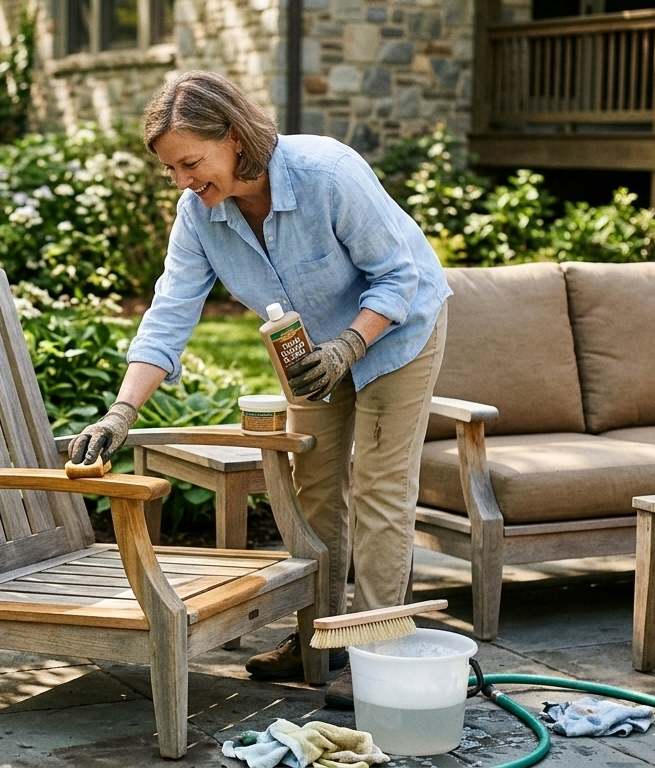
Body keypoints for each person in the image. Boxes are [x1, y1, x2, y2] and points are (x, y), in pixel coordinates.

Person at [66, 70, 451, 709]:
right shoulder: (200, 216)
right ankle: (316, 642)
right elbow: (170, 312)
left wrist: (349, 347)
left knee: (381, 488)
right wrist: (121, 412)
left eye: (192, 162)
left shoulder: (328, 173)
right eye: (172, 170)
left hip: (395, 333)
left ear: (236, 139)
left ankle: (376, 651)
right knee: (315, 490)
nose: (184, 182)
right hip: (303, 350)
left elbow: (398, 277)